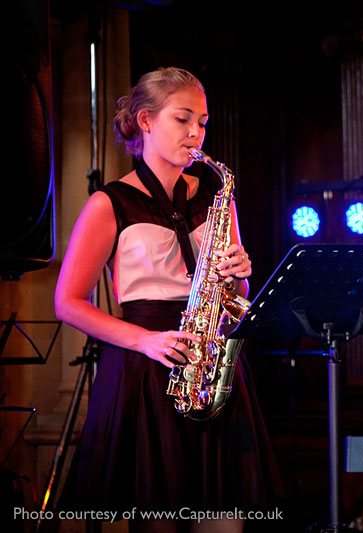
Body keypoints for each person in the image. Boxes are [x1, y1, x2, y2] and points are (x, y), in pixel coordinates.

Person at [54, 67, 281, 532]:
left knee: (224, 520)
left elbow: (237, 301)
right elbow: (68, 302)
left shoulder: (219, 196)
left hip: (212, 364)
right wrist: (144, 342)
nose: (197, 133)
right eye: (183, 119)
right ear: (145, 121)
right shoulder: (108, 202)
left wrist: (242, 275)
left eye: (202, 121)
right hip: (146, 367)